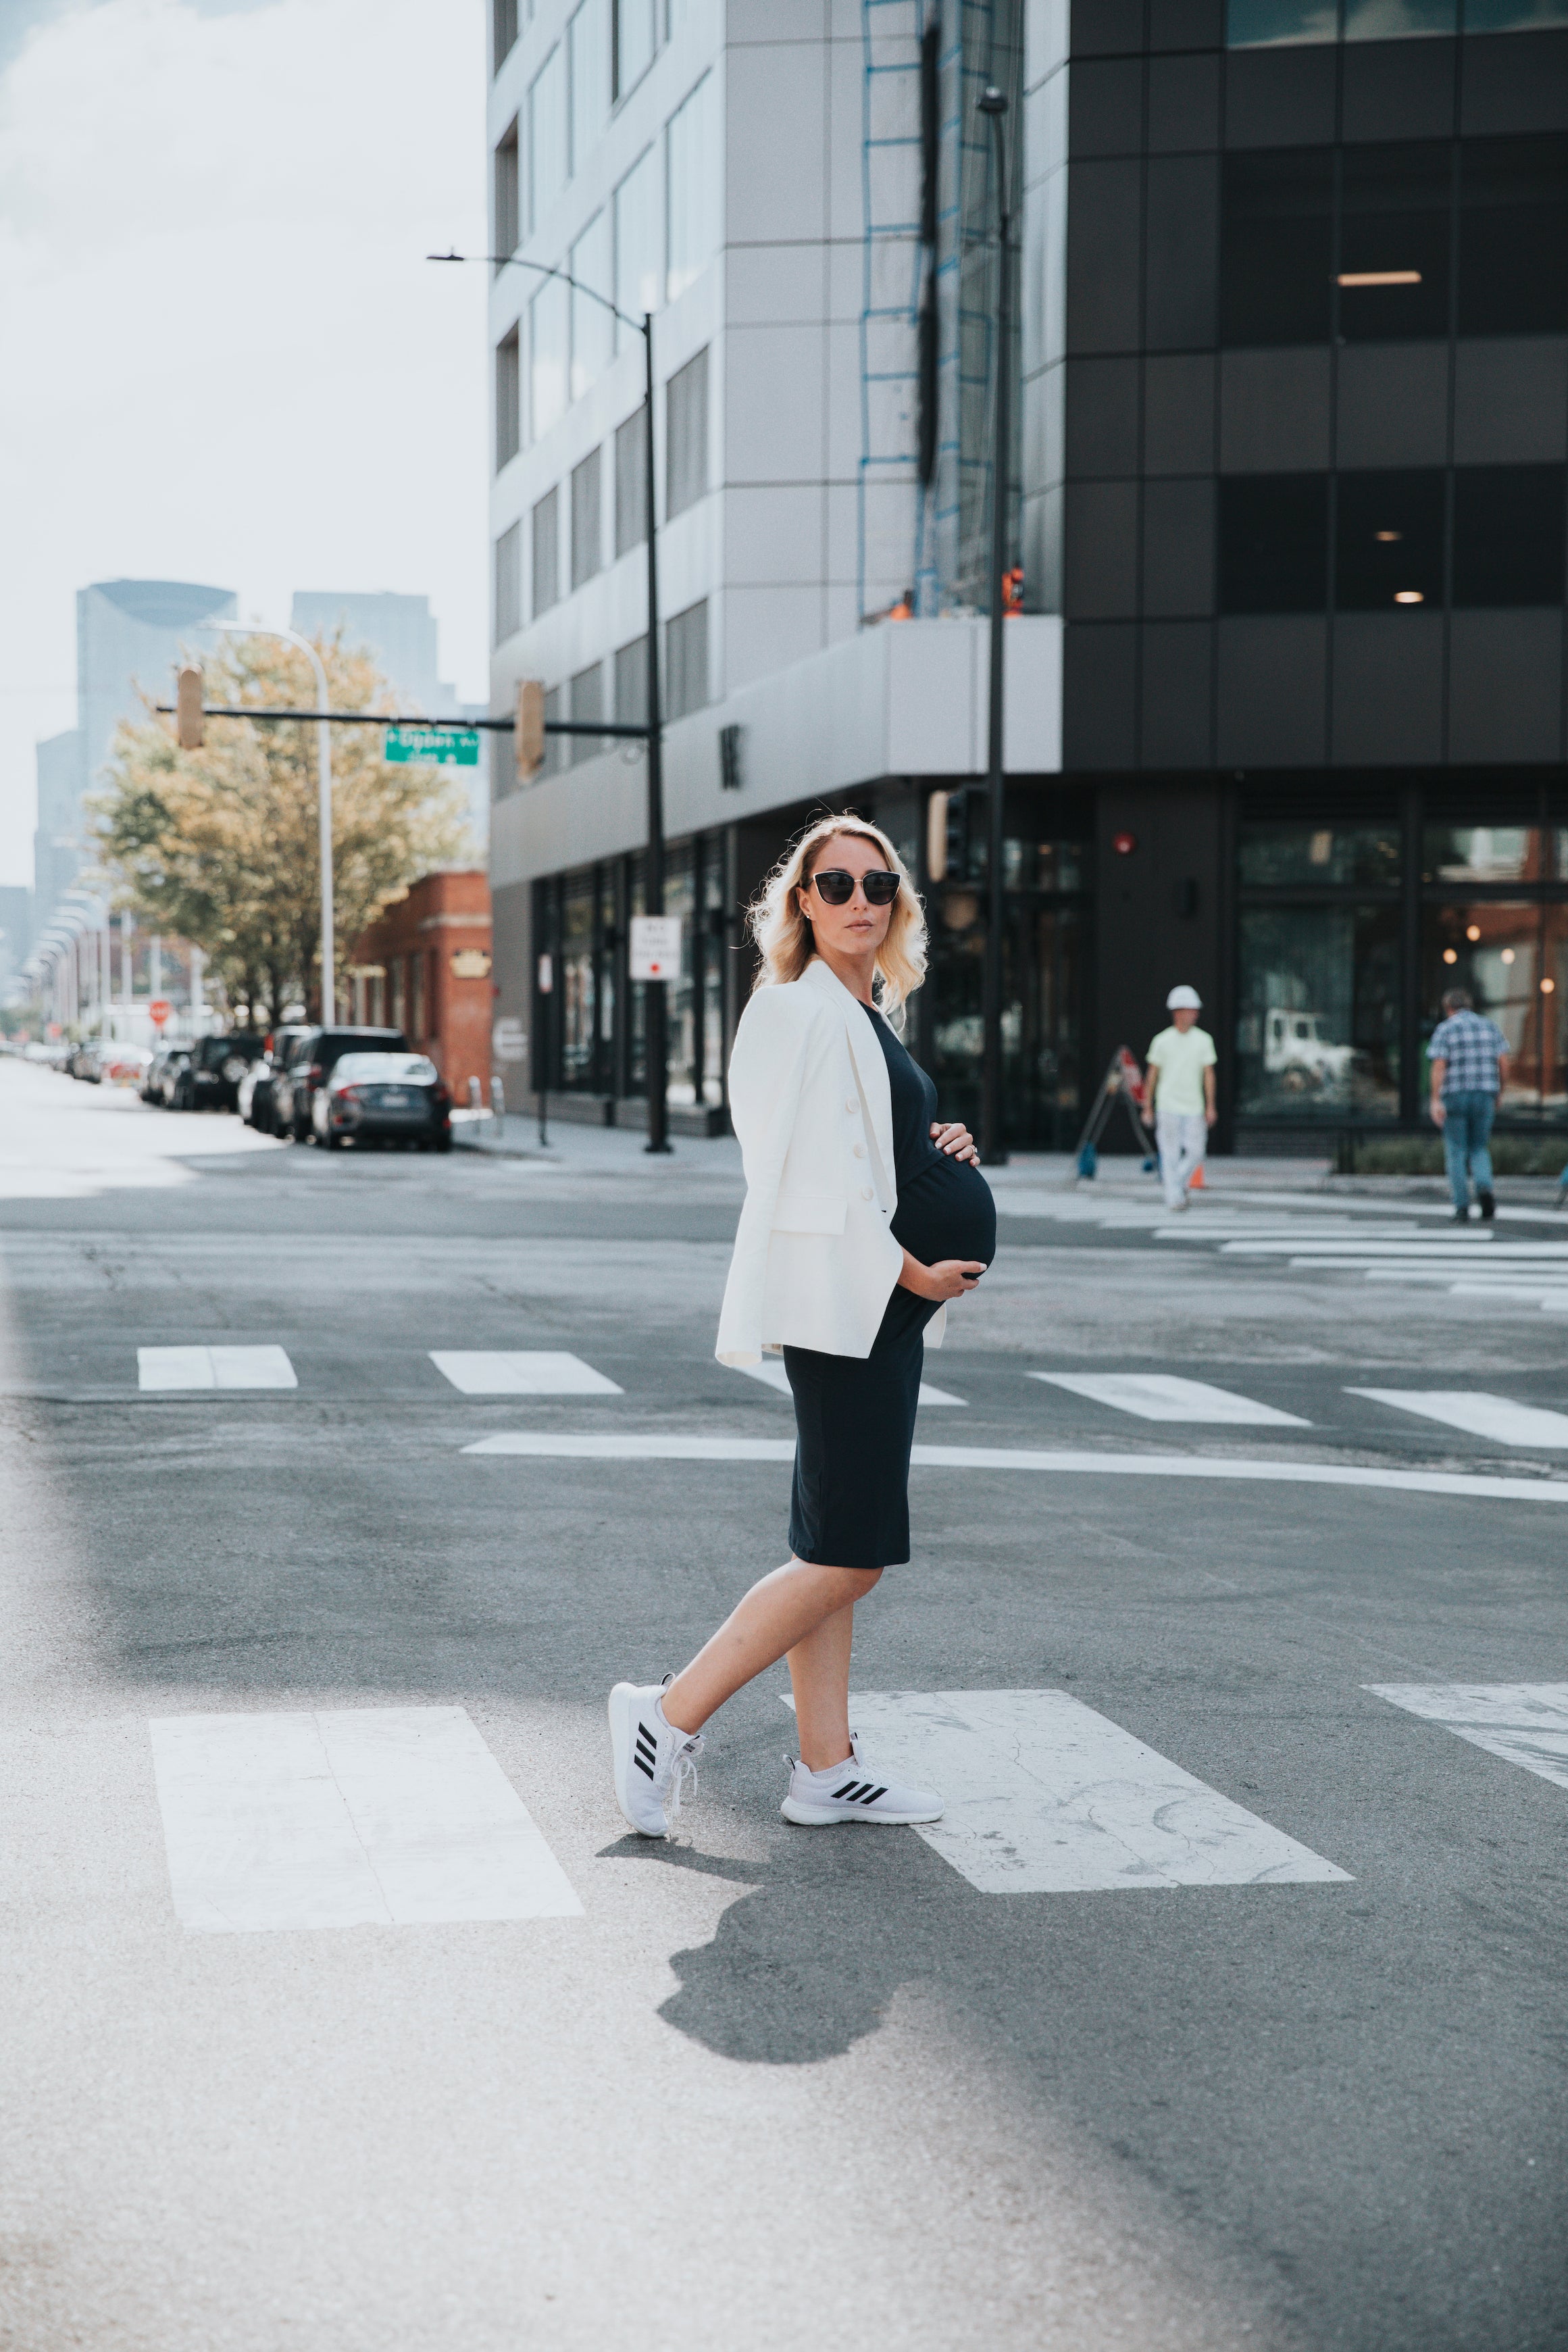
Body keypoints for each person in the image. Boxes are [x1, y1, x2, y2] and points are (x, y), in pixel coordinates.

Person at [608, 814, 996, 1838]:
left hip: (880, 1310)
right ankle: (665, 1713)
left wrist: (938, 1143)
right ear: (802, 903)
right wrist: (910, 1267)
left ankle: (825, 1768)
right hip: (849, 1307)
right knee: (848, 1558)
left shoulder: (866, 1013)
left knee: (835, 1541)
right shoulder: (792, 1008)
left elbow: (869, 1150)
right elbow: (794, 1172)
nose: (859, 901)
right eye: (836, 885)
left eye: (878, 884)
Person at [1427, 986, 1509, 1223]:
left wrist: (1435, 1099)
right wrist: (1500, 1091)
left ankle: (1462, 1206)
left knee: (1456, 1151)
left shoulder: (1445, 1029)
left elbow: (1439, 1066)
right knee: (1479, 1148)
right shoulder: (1489, 1026)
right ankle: (1484, 1187)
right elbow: (1503, 1062)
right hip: (1485, 1093)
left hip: (1455, 1095)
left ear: (1448, 1008)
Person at [1144, 984, 1217, 1212]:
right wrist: (1148, 1106)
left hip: (1194, 1106)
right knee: (1170, 1154)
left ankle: (1177, 1186)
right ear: (1178, 1012)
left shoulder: (1204, 1040)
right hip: (1167, 1104)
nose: (1195, 1014)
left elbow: (1208, 1075)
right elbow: (1152, 1076)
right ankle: (1174, 1198)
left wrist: (1210, 1106)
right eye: (1191, 1009)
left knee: (1197, 1152)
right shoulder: (1162, 1040)